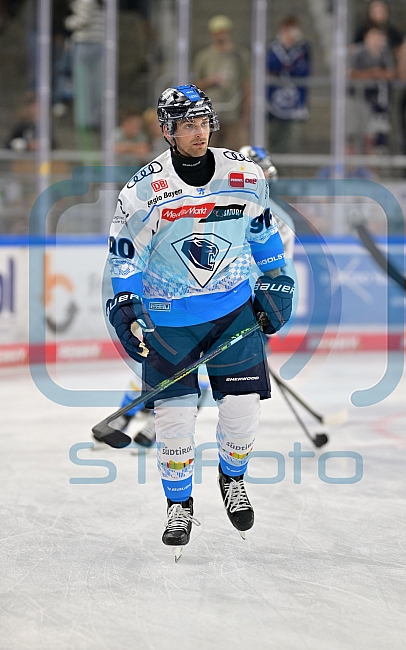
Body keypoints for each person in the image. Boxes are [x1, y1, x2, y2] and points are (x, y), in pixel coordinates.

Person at [104, 85, 294, 559]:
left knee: (243, 413)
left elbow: (263, 234)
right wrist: (126, 305)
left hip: (232, 313)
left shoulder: (244, 176)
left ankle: (232, 479)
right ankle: (179, 505)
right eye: (187, 124)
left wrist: (278, 280)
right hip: (169, 321)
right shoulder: (143, 190)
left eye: (204, 121)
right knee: (173, 423)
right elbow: (124, 259)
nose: (199, 131)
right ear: (167, 130)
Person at [192, 14, 250, 152]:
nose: (220, 36)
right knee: (208, 152)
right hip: (210, 115)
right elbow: (195, 86)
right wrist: (211, 80)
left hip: (233, 113)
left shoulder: (239, 56)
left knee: (239, 152)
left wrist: (246, 111)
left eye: (223, 32)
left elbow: (246, 83)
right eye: (217, 33)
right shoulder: (204, 57)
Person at [266, 15, 311, 154]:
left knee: (290, 144)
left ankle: (287, 173)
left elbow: (303, 70)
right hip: (274, 103)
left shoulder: (303, 48)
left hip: (295, 104)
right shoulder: (274, 47)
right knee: (273, 142)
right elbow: (271, 66)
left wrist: (284, 68)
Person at [348, 26, 395, 154]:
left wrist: (379, 74)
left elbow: (390, 73)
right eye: (374, 36)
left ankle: (370, 171)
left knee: (372, 139)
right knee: (354, 137)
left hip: (378, 103)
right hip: (358, 99)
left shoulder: (384, 53)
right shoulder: (358, 52)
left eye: (379, 37)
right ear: (367, 37)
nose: (377, 40)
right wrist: (370, 74)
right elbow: (350, 73)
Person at [65, 0, 105, 136]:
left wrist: (68, 22)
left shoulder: (85, 1)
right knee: (96, 85)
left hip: (84, 45)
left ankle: (84, 122)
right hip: (99, 44)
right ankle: (95, 120)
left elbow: (82, 20)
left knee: (83, 86)